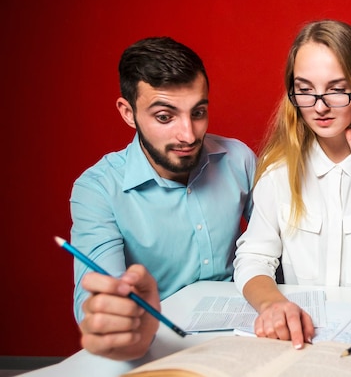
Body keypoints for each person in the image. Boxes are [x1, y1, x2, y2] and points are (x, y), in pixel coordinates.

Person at [233, 19, 351, 350]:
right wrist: (272, 304)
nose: (320, 106)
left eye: (336, 89)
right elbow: (253, 258)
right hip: (301, 341)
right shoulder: (277, 169)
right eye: (305, 90)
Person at [69, 37, 256, 360]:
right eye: (165, 117)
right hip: (157, 343)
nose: (188, 134)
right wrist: (117, 322)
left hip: (245, 334)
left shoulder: (239, 158)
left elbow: (276, 247)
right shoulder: (97, 189)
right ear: (128, 113)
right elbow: (99, 297)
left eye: (198, 112)